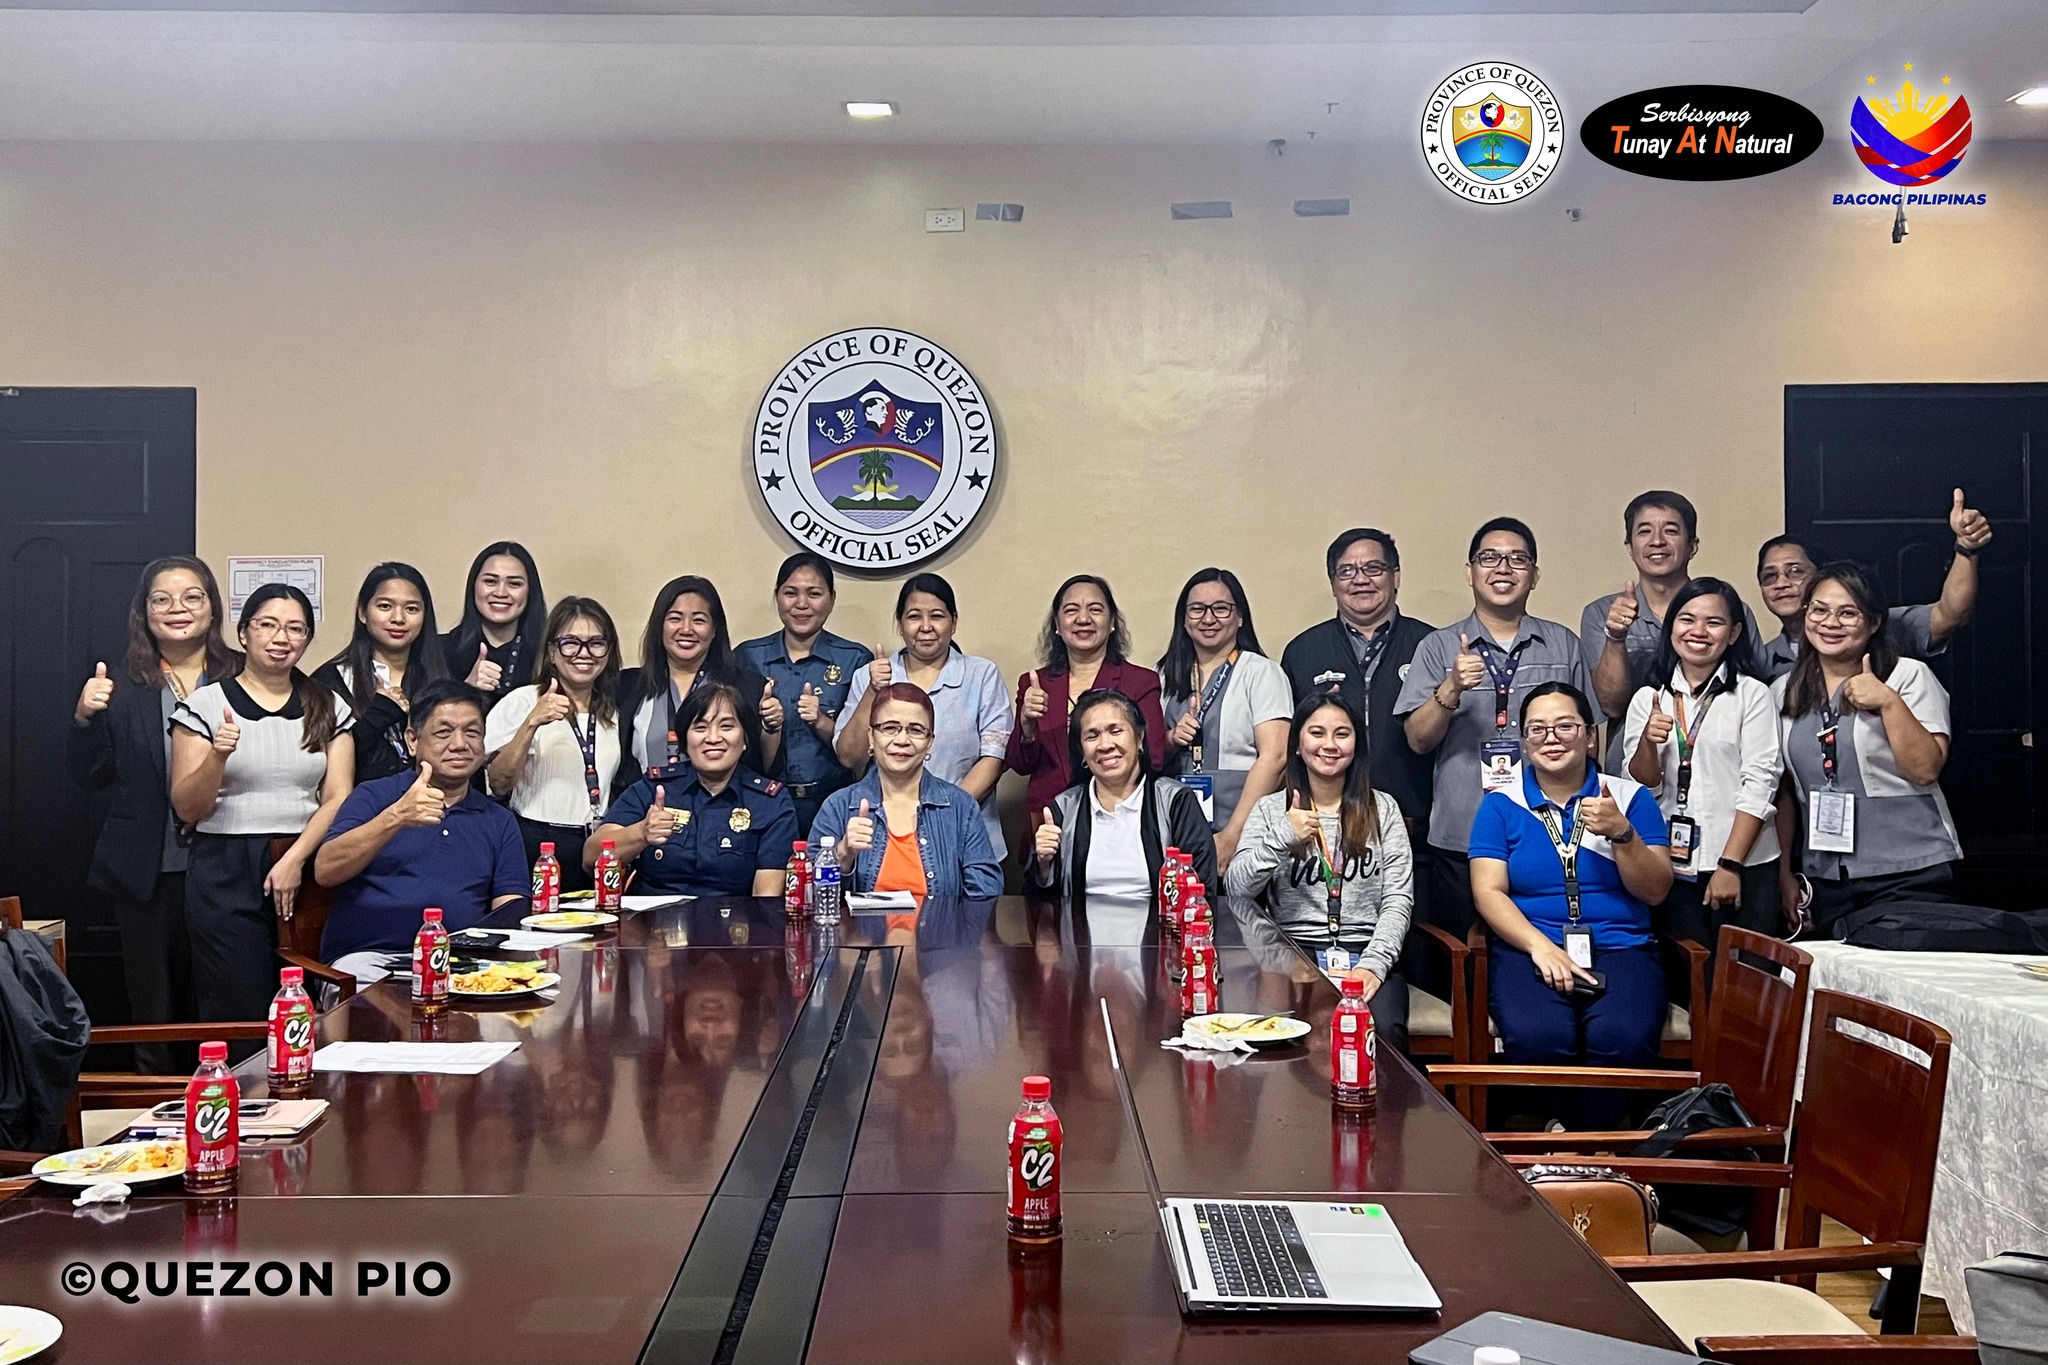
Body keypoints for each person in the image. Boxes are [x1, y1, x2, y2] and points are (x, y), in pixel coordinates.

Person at [1469, 684, 1672, 1126]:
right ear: (1524, 741)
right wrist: (1539, 947)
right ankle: (1564, 1140)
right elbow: (1488, 891)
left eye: (1566, 726)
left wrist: (1623, 834)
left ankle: (1594, 1145)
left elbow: (1656, 890)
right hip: (1531, 949)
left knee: (1622, 1036)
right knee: (1539, 1035)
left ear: (1590, 736)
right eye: (1538, 729)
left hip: (1621, 948)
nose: (1552, 738)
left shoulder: (1628, 798)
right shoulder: (1502, 805)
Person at [67, 557, 237, 1068]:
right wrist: (84, 718)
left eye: (192, 597)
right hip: (147, 867)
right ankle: (155, 1112)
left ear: (212, 607)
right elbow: (89, 776)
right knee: (152, 1003)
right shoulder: (121, 686)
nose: (177, 609)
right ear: (144, 611)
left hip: (226, 864)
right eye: (161, 599)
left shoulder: (240, 677)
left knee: (217, 995)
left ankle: (223, 1105)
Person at [1396, 518, 1597, 938]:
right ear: (1470, 572)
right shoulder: (1437, 646)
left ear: (1535, 575)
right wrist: (1450, 687)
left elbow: (1591, 738)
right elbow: (1417, 740)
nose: (1503, 568)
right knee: (1463, 965)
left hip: (1548, 834)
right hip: (1461, 834)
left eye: (1517, 559)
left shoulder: (1563, 644)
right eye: (1489, 558)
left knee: (1540, 951)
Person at [171, 584, 354, 1023]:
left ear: (307, 640)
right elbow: (186, 808)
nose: (281, 638)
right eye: (267, 625)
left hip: (305, 860)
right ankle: (242, 1090)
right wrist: (218, 755)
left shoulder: (327, 705)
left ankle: (306, 1091)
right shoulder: (205, 704)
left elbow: (338, 796)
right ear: (244, 633)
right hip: (224, 868)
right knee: (238, 1002)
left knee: (307, 1002)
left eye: (296, 629)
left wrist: (294, 858)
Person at [1773, 562, 1961, 937]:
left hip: (1910, 871)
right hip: (1825, 876)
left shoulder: (1906, 676)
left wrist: (1889, 703)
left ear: (1873, 623)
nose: (1830, 622)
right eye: (1819, 609)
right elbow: (1784, 794)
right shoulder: (1782, 691)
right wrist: (1784, 876)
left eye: (1848, 613)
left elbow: (1926, 769)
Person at [1223, 692, 1414, 1055]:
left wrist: (1374, 965)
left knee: (1383, 1031)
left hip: (1365, 951)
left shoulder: (1383, 808)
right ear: (1297, 744)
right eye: (1317, 733)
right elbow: (1236, 888)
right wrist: (1283, 835)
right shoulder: (1269, 809)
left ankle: (1382, 1113)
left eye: (1342, 734)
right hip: (1292, 954)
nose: (1329, 745)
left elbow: (1398, 898)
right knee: (1282, 1039)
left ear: (1357, 744)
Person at [1621, 578, 1785, 958]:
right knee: (1685, 983)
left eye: (1714, 622)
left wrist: (1730, 864)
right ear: (1671, 627)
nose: (1698, 631)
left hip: (1744, 865)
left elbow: (1760, 782)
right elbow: (1643, 783)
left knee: (1742, 986)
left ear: (1734, 633)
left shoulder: (1751, 695)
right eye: (1687, 619)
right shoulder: (1650, 697)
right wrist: (1648, 742)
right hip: (1671, 866)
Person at [315, 679, 528, 961]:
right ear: (413, 740)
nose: (460, 744)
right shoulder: (375, 795)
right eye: (444, 732)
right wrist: (397, 816)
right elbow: (326, 870)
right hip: (372, 959)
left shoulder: (498, 820)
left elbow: (510, 909)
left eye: (472, 732)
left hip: (462, 964)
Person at [836, 573, 1013, 859]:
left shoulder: (982, 675)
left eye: (937, 616)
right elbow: (849, 758)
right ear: (900, 623)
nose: (926, 627)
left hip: (967, 833)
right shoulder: (870, 675)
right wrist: (873, 690)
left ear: (953, 621)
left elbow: (994, 758)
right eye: (914, 616)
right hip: (886, 837)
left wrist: (946, 814)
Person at [1278, 528, 1437, 828]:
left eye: (1373, 568)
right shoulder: (1303, 651)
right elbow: (1288, 747)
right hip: (1325, 833)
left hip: (1418, 832)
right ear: (1333, 583)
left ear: (1396, 576)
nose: (1360, 579)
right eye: (1346, 571)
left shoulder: (1430, 645)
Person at [587, 681, 798, 897]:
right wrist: (641, 832)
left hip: (733, 925)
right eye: (700, 727)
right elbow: (591, 857)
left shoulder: (770, 801)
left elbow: (765, 900)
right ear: (684, 741)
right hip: (653, 923)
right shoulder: (655, 788)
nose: (713, 738)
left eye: (726, 726)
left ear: (745, 739)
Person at [1755, 488, 1991, 680]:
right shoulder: (1762, 660)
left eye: (1795, 571)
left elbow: (1951, 614)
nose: (1781, 583)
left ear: (1821, 578)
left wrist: (1966, 549)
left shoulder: (1881, 624)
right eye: (1769, 576)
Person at [810, 683, 1004, 900]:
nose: (902, 740)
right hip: (861, 933)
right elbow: (812, 898)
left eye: (916, 730)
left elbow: (986, 896)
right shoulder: (838, 807)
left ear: (930, 743)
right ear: (872, 738)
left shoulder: (961, 807)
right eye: (890, 728)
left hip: (940, 933)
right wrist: (843, 853)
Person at [1581, 492, 1761, 726]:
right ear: (1630, 547)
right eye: (1644, 531)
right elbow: (1612, 706)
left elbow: (1755, 696)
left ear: (1692, 546)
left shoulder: (1730, 611)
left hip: (1719, 754)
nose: (1657, 541)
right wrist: (1615, 637)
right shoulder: (1602, 613)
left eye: (1671, 530)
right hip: (1634, 758)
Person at [484, 597, 624, 892]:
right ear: (551, 651)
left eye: (596, 643)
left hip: (595, 847)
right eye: (570, 642)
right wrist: (531, 723)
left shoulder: (613, 711)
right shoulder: (523, 701)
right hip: (537, 844)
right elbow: (498, 783)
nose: (583, 653)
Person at [1156, 567, 1291, 870]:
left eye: (1220, 608)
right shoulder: (1161, 675)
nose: (1208, 618)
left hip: (1242, 831)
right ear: (1184, 618)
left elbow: (1276, 756)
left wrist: (1233, 836)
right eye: (1197, 609)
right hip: (1173, 830)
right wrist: (1171, 738)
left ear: (1239, 616)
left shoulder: (1261, 673)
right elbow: (1146, 754)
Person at [1027, 689, 1217, 901]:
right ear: (1081, 750)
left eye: (1115, 731)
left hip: (1161, 930)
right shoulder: (1064, 807)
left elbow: (1201, 889)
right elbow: (1037, 906)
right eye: (1092, 736)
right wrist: (1043, 865)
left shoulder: (1174, 800)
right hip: (1081, 932)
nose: (1105, 745)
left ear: (1139, 738)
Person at [1006, 574, 1167, 823]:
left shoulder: (1140, 682)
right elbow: (1020, 765)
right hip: (1049, 822)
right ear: (1057, 625)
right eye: (1071, 610)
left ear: (1112, 622)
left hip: (1121, 818)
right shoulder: (1034, 683)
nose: (1083, 619)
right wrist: (1027, 725)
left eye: (1095, 609)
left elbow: (1155, 756)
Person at [735, 553, 874, 833]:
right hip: (761, 802)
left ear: (832, 599)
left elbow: (859, 751)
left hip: (833, 802)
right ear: (777, 597)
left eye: (814, 593)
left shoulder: (855, 660)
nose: (801, 604)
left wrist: (821, 721)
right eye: (790, 593)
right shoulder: (746, 657)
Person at [619, 575, 779, 787]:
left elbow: (764, 767)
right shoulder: (627, 686)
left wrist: (771, 728)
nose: (686, 629)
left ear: (714, 630)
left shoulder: (748, 687)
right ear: (660, 627)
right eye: (675, 618)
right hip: (649, 812)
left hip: (723, 811)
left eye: (699, 620)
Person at [315, 563, 450, 785]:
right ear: (362, 612)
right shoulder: (331, 681)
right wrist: (378, 714)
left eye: (412, 609)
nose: (398, 618)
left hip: (434, 806)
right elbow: (318, 766)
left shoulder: (439, 679)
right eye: (385, 606)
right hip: (361, 810)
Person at [441, 542, 547, 703]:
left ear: (530, 592)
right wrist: (466, 688)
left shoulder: (548, 654)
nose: (500, 592)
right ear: (474, 586)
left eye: (514, 584)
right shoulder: (440, 651)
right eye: (490, 581)